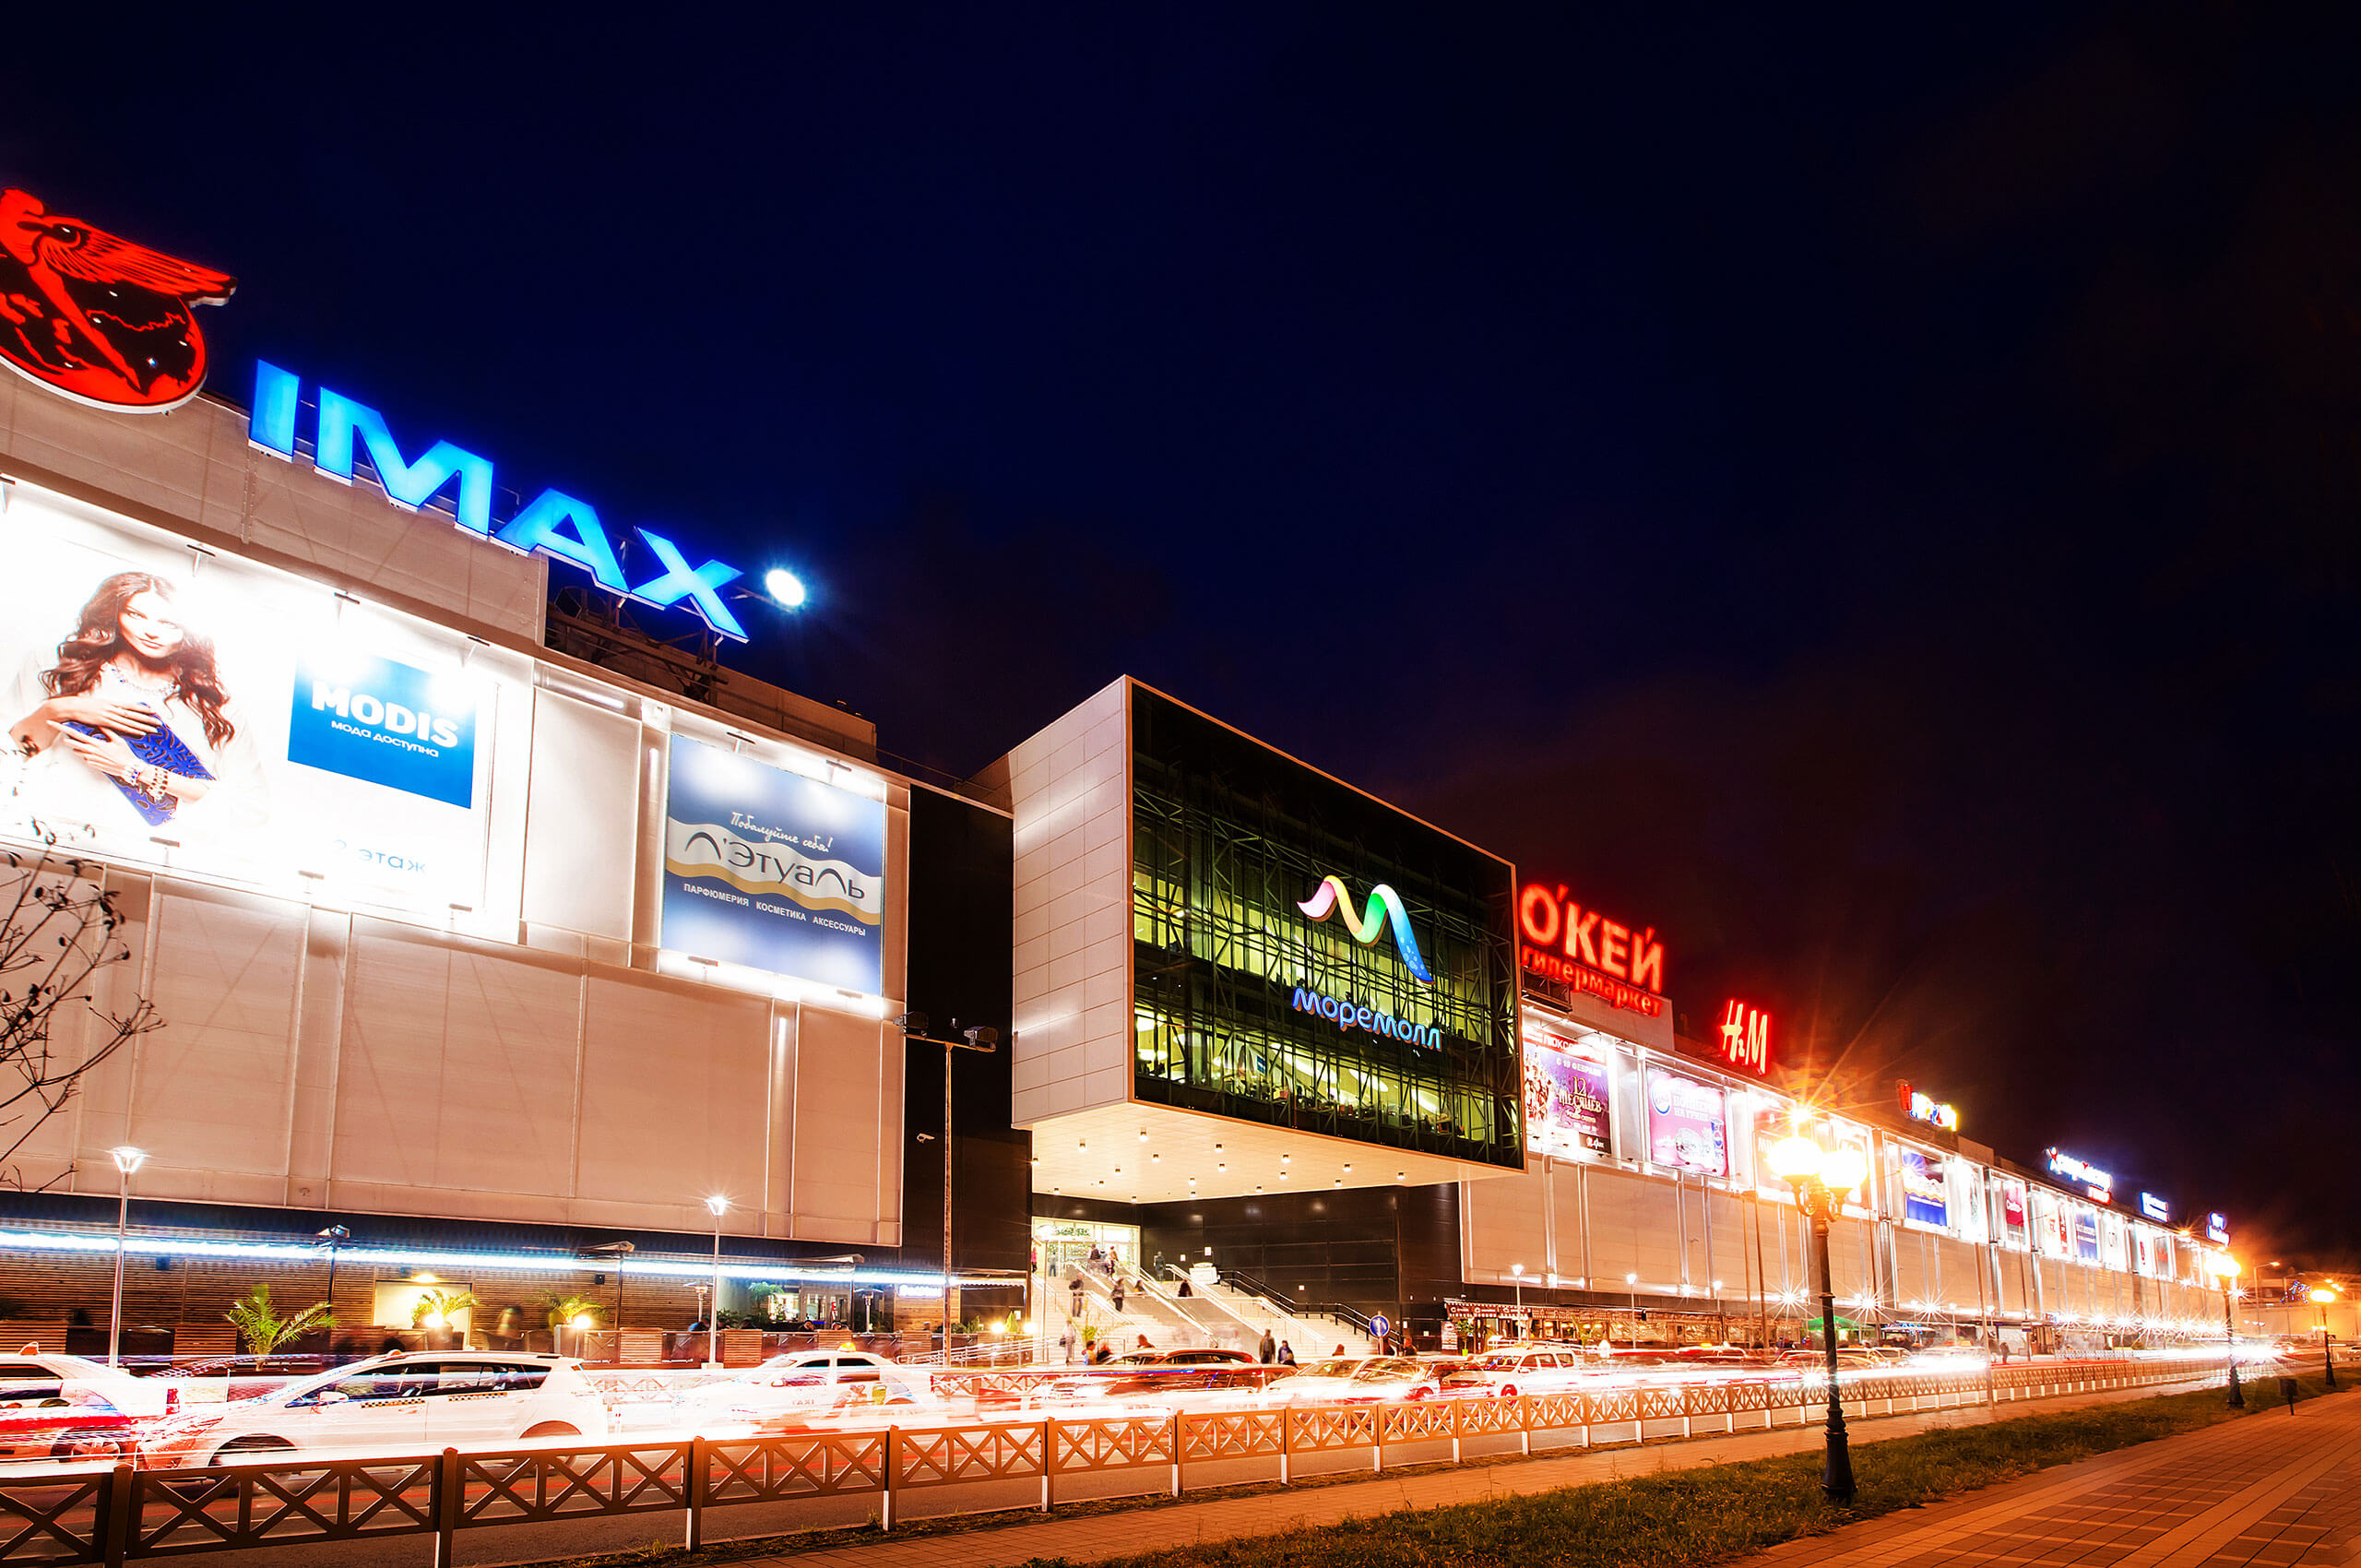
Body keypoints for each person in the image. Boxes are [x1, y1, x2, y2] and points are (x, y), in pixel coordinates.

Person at [7, 571, 267, 845]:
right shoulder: (57, 665)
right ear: (114, 614)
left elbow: (251, 810)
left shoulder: (214, 704)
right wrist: (62, 709)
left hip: (155, 854)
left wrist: (136, 769)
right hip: (51, 844)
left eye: (168, 623)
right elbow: (10, 756)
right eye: (135, 615)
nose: (151, 632)